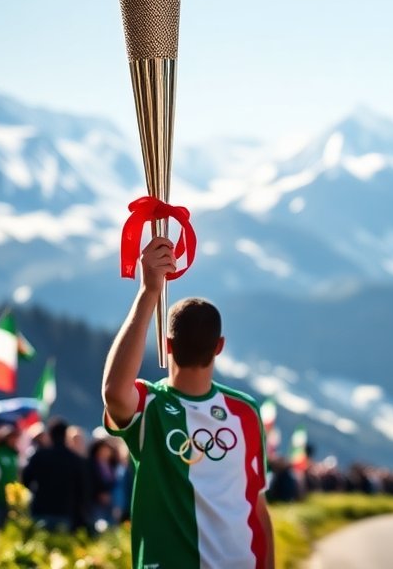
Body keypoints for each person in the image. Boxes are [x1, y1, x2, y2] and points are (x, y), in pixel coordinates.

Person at [102, 236, 274, 569]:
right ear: (220, 346)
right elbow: (258, 506)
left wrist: (148, 291)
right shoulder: (245, 412)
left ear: (166, 345)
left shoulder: (149, 406)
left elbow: (113, 391)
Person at [22, 418, 92, 531]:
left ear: (50, 435)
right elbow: (83, 490)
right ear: (66, 436)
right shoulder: (76, 460)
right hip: (66, 512)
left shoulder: (39, 456)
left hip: (41, 510)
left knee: (42, 546)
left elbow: (26, 480)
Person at [0, 425, 22, 527]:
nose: (14, 440)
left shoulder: (14, 454)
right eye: (12, 437)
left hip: (11, 499)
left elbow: (17, 474)